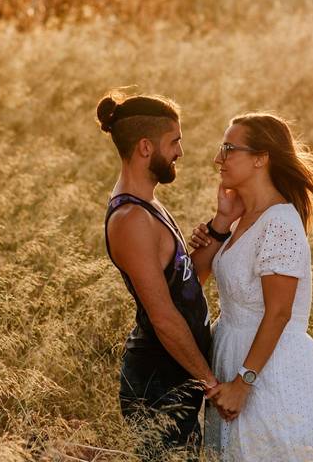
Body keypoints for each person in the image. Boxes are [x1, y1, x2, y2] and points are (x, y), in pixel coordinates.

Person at [188, 112, 313, 461]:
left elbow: (278, 312)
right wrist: (219, 223)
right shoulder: (240, 218)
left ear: (261, 158)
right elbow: (194, 280)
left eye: (230, 149)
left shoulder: (280, 223)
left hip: (272, 371)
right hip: (231, 356)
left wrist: (244, 383)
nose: (219, 158)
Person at [97, 91, 240, 461]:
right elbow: (162, 316)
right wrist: (210, 383)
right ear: (146, 147)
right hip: (157, 384)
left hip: (176, 374)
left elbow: (186, 285)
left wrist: (221, 223)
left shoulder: (148, 205)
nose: (180, 151)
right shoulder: (131, 220)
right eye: (174, 141)